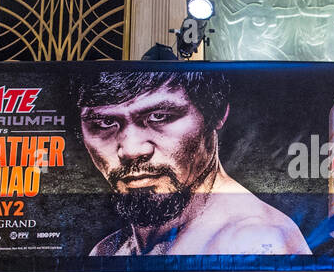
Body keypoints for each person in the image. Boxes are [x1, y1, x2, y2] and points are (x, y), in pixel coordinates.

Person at [74, 70, 309, 255]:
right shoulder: (109, 250)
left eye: (159, 116)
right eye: (104, 123)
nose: (132, 150)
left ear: (215, 114)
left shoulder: (254, 241)